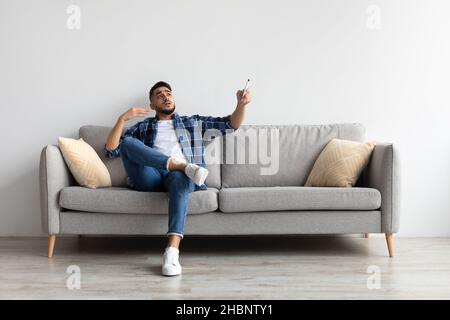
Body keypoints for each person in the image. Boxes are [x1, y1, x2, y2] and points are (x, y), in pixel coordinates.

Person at [104, 81, 252, 276]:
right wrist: (122, 119)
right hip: (152, 177)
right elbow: (111, 149)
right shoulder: (143, 127)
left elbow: (230, 125)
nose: (166, 97)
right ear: (152, 105)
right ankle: (180, 165)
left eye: (168, 93)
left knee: (179, 177)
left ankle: (172, 252)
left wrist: (241, 105)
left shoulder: (193, 123)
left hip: (180, 178)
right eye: (159, 95)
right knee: (128, 143)